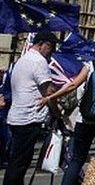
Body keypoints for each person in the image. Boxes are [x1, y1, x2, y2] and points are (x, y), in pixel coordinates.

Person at [42, 37, 95, 185]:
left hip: (85, 118)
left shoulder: (90, 66)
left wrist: (51, 97)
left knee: (77, 159)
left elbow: (72, 86)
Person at [3, 31, 59, 185]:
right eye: (51, 48)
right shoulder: (39, 61)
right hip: (29, 118)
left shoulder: (23, 59)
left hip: (17, 116)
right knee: (19, 164)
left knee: (17, 160)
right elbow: (49, 91)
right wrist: (57, 112)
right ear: (43, 44)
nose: (51, 53)